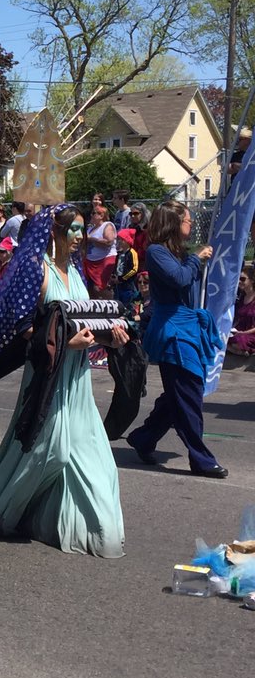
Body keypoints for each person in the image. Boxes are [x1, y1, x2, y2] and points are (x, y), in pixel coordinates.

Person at [0, 204, 127, 558]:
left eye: (83, 230)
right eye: (75, 230)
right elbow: (18, 325)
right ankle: (6, 507)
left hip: (78, 378)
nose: (80, 237)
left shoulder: (76, 272)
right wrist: (64, 343)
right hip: (48, 377)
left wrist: (108, 338)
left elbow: (84, 319)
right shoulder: (34, 269)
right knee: (46, 450)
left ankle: (91, 524)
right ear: (55, 230)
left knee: (91, 451)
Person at [126, 201, 227, 478]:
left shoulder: (178, 252)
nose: (191, 224)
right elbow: (180, 279)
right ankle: (201, 459)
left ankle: (145, 437)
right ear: (173, 223)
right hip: (173, 332)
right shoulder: (157, 252)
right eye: (187, 219)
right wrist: (196, 258)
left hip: (188, 328)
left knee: (179, 394)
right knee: (189, 395)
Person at [84, 205, 116, 298]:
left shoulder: (107, 225)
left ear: (102, 215)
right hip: (90, 261)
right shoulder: (90, 229)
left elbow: (109, 241)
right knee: (89, 288)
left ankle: (112, 305)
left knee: (99, 288)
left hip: (104, 260)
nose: (91, 215)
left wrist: (92, 239)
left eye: (94, 213)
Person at [227, 265, 255, 356]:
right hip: (239, 333)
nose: (239, 282)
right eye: (238, 279)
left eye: (243, 279)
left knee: (240, 340)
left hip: (250, 334)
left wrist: (244, 333)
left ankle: (236, 350)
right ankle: (239, 351)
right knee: (221, 337)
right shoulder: (240, 299)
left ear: (252, 280)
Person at [111, 229, 140, 309]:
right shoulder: (119, 254)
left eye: (121, 239)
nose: (119, 241)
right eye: (118, 239)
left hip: (128, 284)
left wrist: (122, 278)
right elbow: (117, 267)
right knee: (117, 303)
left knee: (129, 302)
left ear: (127, 241)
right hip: (118, 284)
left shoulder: (132, 252)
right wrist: (113, 276)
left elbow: (134, 269)